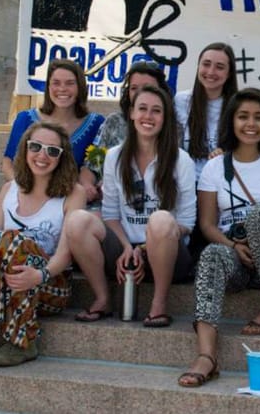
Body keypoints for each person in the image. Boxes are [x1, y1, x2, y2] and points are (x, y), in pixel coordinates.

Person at [178, 88, 260, 388]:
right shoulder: (214, 167)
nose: (251, 124)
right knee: (211, 254)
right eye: (243, 116)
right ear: (231, 121)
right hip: (237, 260)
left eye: (259, 117)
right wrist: (234, 245)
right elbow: (207, 225)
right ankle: (206, 356)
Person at [0, 121, 86, 367]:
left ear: (62, 158)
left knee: (16, 241)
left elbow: (65, 255)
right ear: (25, 149)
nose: (42, 155)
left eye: (52, 151)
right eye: (36, 147)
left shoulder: (73, 193)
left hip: (49, 284)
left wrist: (39, 275)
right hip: (4, 284)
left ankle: (23, 342)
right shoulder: (9, 189)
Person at [65, 84, 196, 326]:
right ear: (132, 114)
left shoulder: (181, 160)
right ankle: (103, 298)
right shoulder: (114, 156)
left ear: (165, 118)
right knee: (77, 221)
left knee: (160, 219)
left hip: (167, 252)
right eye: (142, 108)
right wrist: (127, 247)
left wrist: (145, 248)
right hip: (123, 250)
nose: (148, 116)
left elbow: (187, 222)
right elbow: (110, 214)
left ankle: (159, 304)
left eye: (156, 111)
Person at [2, 59, 104, 202]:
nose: (62, 89)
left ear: (80, 87)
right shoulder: (24, 119)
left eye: (70, 83)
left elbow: (98, 166)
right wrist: (23, 189)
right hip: (31, 198)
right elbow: (8, 162)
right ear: (48, 87)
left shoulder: (97, 123)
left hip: (75, 201)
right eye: (56, 83)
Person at [174, 42, 238, 178]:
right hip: (186, 181)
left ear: (229, 73)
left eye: (219, 67)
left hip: (222, 183)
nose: (211, 72)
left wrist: (227, 154)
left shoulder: (239, 105)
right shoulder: (180, 100)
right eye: (206, 64)